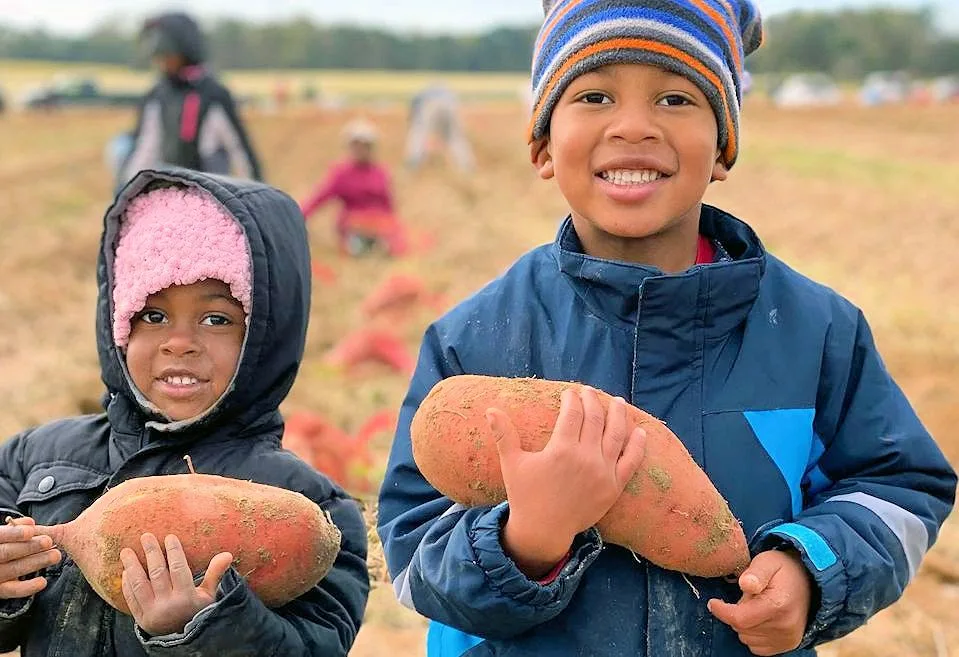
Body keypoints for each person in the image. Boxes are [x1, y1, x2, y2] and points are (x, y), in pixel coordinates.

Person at [377, 1, 957, 656]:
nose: (633, 126)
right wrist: (528, 541)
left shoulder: (815, 329)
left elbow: (900, 482)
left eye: (676, 99)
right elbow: (412, 547)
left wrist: (812, 569)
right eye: (594, 95)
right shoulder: (476, 336)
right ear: (540, 145)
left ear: (721, 148)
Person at [0, 168, 369, 656]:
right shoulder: (34, 457)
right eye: (152, 315)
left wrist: (197, 631)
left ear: (264, 338)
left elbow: (313, 647)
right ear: (119, 326)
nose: (179, 343)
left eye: (216, 319)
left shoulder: (309, 507)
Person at [118, 13, 262, 189]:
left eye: (168, 55)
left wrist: (256, 194)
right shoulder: (157, 95)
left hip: (209, 190)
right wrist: (125, 191)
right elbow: (144, 148)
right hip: (169, 188)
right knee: (119, 146)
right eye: (158, 57)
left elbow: (239, 150)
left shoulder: (213, 95)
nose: (162, 63)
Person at [300, 119, 405, 257]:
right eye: (356, 145)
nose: (360, 150)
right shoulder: (340, 173)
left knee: (389, 248)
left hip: (379, 225)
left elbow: (388, 204)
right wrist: (299, 217)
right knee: (358, 250)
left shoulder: (381, 173)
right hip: (353, 226)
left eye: (364, 146)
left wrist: (393, 226)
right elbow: (319, 198)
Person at [405, 85, 475, 173]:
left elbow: (415, 121)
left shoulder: (418, 98)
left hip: (429, 103)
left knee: (418, 134)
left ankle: (413, 164)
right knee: (455, 138)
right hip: (449, 104)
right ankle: (467, 166)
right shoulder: (445, 93)